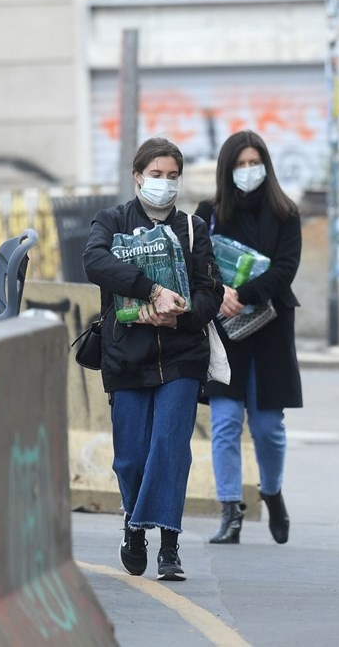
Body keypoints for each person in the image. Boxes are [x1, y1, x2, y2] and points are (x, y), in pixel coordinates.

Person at [82, 137, 224, 581]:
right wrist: (152, 290)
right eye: (156, 174)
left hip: (182, 356)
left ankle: (169, 544)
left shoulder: (192, 229)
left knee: (169, 447)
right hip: (127, 355)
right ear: (138, 175)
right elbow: (94, 262)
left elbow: (211, 291)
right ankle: (133, 526)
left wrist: (177, 319)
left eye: (172, 176)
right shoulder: (112, 221)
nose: (164, 184)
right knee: (130, 457)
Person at [195, 130, 303, 546]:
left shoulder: (285, 213)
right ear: (227, 170)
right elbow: (199, 262)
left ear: (266, 165)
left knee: (267, 426)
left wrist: (245, 295)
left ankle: (272, 493)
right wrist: (220, 294)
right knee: (224, 422)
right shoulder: (210, 212)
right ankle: (230, 512)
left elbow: (285, 268)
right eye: (239, 164)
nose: (247, 171)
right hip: (225, 329)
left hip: (271, 326)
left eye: (253, 163)